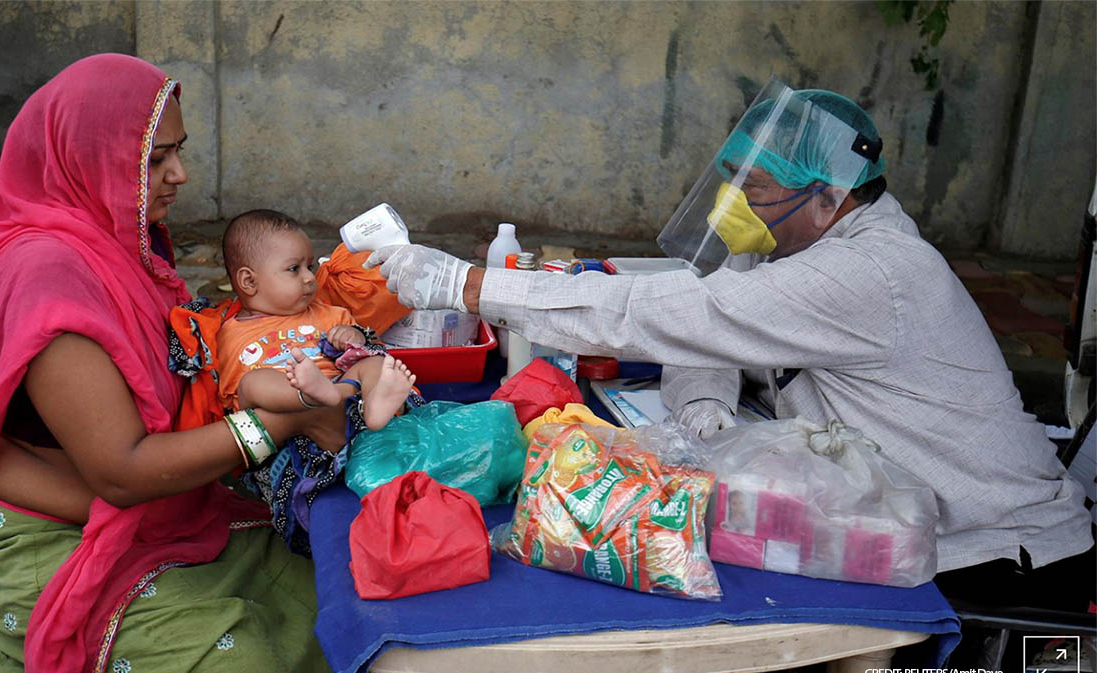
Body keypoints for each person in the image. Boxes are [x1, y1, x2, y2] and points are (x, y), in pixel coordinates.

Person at [364, 79, 1095, 611]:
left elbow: (661, 309)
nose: (740, 205)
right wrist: (706, 410)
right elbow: (702, 332)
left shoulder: (875, 271)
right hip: (877, 515)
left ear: (827, 198)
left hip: (998, 553)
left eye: (762, 189)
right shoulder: (789, 244)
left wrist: (469, 285)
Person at [0, 54, 369, 673]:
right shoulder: (48, 283)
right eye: (156, 159)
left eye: (178, 151)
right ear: (86, 159)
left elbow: (180, 373)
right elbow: (123, 468)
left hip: (144, 508)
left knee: (328, 597)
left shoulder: (124, 243)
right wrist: (272, 423)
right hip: (37, 533)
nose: (180, 174)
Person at [198, 208, 419, 552]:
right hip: (297, 434)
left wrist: (351, 338)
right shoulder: (229, 334)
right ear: (249, 281)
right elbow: (234, 397)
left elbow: (358, 347)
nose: (308, 278)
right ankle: (316, 398)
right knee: (253, 384)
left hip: (351, 406)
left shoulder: (328, 313)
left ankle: (365, 405)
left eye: (310, 266)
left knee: (375, 362)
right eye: (293, 269)